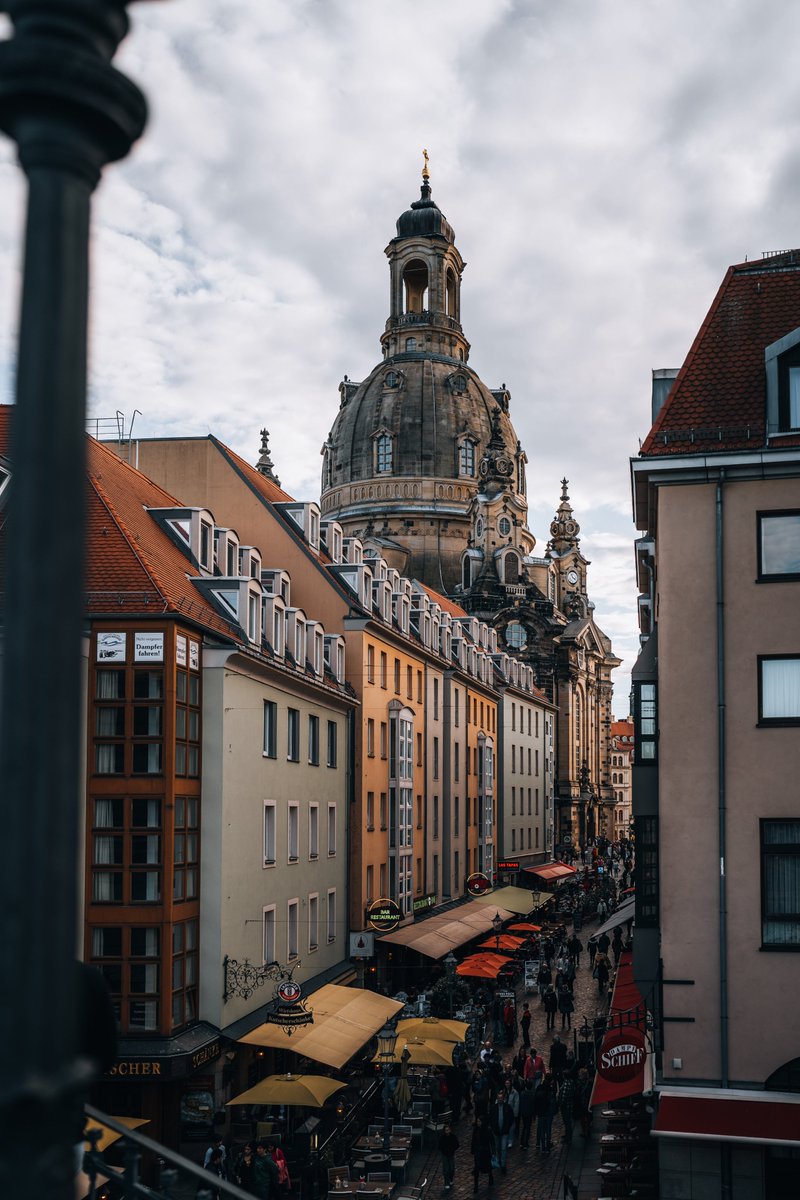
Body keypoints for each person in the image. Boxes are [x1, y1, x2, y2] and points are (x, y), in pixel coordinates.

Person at [488, 1089, 514, 1173]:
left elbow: (511, 1118)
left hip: (504, 1132)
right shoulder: (493, 1108)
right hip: (496, 1131)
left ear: (503, 1098)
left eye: (501, 1098)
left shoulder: (507, 1107)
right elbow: (491, 1119)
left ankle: (503, 1165)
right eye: (498, 1098)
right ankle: (499, 1160)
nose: (500, 1099)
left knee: (503, 1148)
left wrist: (507, 1127)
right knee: (498, 1148)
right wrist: (493, 1127)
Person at [470, 1114, 495, 1192]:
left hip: (485, 1152)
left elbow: (492, 1141)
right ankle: (476, 1186)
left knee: (488, 1167)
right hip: (478, 1152)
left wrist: (493, 1152)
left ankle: (490, 1177)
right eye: (477, 1121)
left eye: (479, 1121)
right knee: (477, 1168)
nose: (478, 1123)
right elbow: (473, 1140)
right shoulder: (476, 1130)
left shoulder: (488, 1130)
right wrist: (473, 1150)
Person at [438, 1122, 459, 1192]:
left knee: (452, 1169)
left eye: (448, 1130)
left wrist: (452, 1149)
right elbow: (440, 1146)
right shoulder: (442, 1138)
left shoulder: (453, 1137)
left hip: (451, 1154)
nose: (447, 1131)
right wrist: (444, 1150)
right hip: (445, 1155)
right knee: (446, 1169)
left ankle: (451, 1179)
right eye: (446, 1130)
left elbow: (457, 1144)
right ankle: (446, 1182)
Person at [518, 1080, 536, 1149]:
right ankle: (525, 1143)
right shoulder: (532, 1095)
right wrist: (534, 1115)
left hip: (524, 1113)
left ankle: (522, 1142)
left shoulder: (522, 1094)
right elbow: (533, 1106)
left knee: (524, 1127)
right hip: (529, 1114)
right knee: (528, 1128)